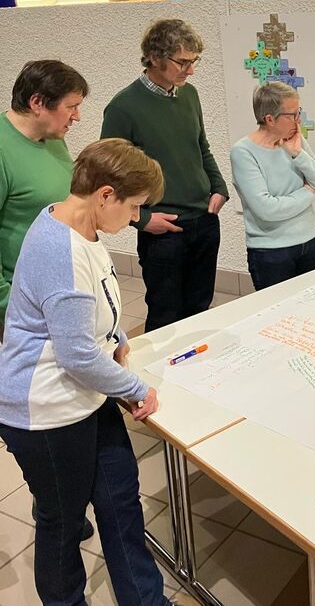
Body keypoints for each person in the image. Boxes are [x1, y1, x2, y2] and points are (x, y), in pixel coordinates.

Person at [0, 138, 178, 606]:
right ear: (105, 195)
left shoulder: (81, 227)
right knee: (62, 521)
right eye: (134, 206)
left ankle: (146, 600)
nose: (135, 217)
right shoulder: (60, 249)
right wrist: (136, 388)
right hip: (46, 412)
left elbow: (93, 307)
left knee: (120, 500)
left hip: (85, 396)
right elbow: (76, 354)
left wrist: (115, 338)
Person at [101, 18, 230, 332]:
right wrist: (142, 220)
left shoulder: (190, 95)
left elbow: (201, 146)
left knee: (200, 310)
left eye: (194, 61)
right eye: (182, 62)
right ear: (154, 57)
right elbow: (107, 176)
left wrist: (218, 186)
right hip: (163, 230)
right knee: (165, 317)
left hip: (204, 220)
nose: (191, 70)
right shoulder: (123, 107)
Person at [0, 59, 88, 327]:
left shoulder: (52, 138)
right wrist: (8, 304)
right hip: (22, 302)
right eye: (71, 107)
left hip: (58, 286)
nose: (77, 116)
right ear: (37, 103)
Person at [230, 81, 315, 290]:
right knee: (279, 309)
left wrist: (298, 154)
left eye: (299, 112)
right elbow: (267, 209)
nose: (298, 120)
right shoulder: (243, 152)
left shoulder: (294, 141)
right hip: (272, 252)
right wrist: (307, 192)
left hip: (311, 241)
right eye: (292, 115)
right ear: (270, 119)